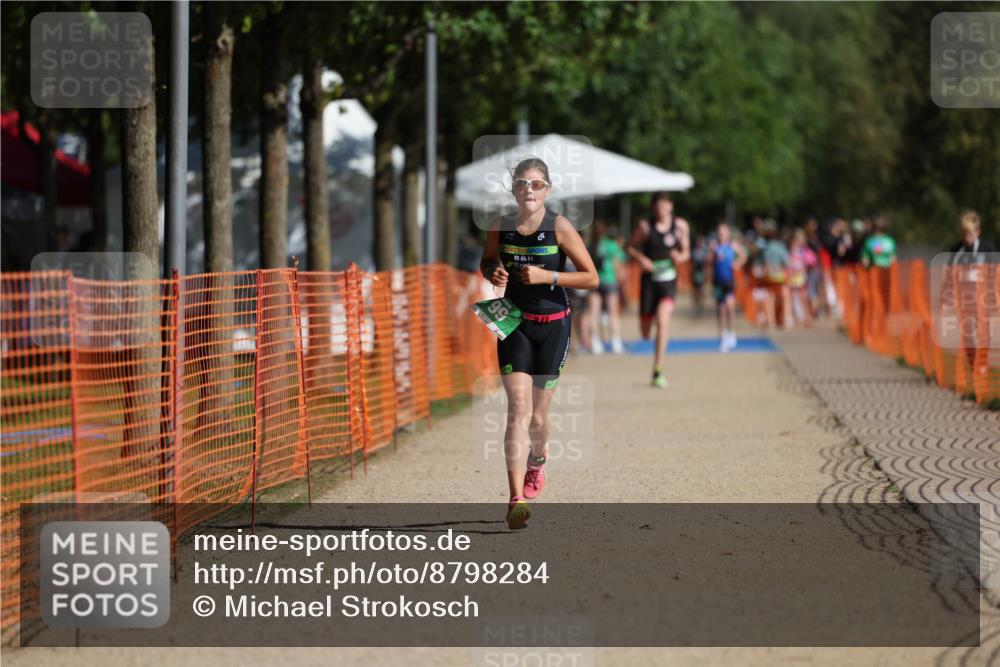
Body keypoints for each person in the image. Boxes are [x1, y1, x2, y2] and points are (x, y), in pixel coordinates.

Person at [479, 158, 599, 529]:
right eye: (521, 183)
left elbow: (591, 277)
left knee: (538, 417)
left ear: (547, 189)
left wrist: (549, 275)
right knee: (517, 408)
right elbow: (486, 262)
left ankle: (538, 458)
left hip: (553, 326)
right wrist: (492, 271)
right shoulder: (500, 227)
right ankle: (514, 499)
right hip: (513, 322)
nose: (528, 190)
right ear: (513, 189)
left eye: (535, 184)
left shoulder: (559, 227)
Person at [627, 192, 690, 388]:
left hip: (668, 282)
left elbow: (686, 252)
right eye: (658, 205)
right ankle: (647, 322)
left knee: (663, 321)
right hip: (649, 283)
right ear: (654, 208)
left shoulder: (680, 226)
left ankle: (657, 370)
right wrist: (641, 259)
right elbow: (629, 246)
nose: (662, 209)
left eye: (665, 205)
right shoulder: (645, 227)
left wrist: (680, 257)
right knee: (646, 331)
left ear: (671, 206)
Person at [587, 219, 627, 354]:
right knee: (613, 313)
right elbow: (619, 264)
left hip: (595, 281)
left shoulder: (590, 246)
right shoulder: (611, 245)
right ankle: (616, 342)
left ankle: (595, 343)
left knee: (593, 313)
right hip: (609, 280)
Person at [709, 222, 746, 351]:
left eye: (723, 232)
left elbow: (743, 256)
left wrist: (736, 263)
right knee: (721, 309)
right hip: (718, 281)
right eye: (719, 233)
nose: (721, 235)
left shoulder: (733, 245)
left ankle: (731, 333)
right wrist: (712, 254)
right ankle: (722, 336)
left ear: (728, 234)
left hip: (729, 280)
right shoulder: (714, 246)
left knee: (730, 306)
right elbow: (709, 261)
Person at [788, 228, 818, 327]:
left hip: (800, 276)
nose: (803, 241)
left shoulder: (804, 250)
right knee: (796, 298)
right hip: (794, 276)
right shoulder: (794, 250)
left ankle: (807, 318)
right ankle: (800, 318)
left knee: (803, 297)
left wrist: (805, 268)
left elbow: (812, 261)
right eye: (801, 239)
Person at [690, 234, 708, 316]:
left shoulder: (704, 251)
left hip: (702, 272)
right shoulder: (693, 251)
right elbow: (691, 262)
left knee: (702, 289)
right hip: (695, 272)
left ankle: (702, 305)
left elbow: (707, 262)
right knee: (696, 290)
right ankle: (697, 304)